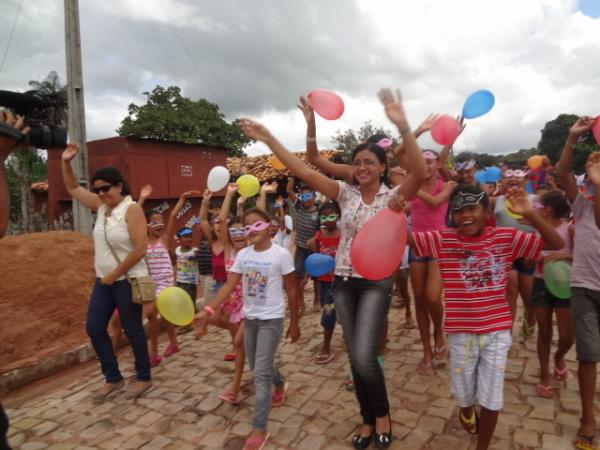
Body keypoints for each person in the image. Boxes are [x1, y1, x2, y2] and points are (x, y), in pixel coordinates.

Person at [239, 87, 427, 449]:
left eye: (369, 162)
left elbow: (419, 169)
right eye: (357, 163)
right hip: (342, 281)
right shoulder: (344, 193)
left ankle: (382, 413)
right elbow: (303, 169)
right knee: (355, 356)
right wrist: (269, 138)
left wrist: (404, 127)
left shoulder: (396, 197)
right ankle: (367, 419)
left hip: (376, 282)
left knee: (363, 355)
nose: (362, 168)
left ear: (383, 167)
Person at [404, 184, 564, 450]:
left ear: (486, 211)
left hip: (496, 331)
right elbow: (408, 239)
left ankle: (482, 446)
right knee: (463, 393)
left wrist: (531, 214)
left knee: (491, 398)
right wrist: (397, 210)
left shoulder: (504, 237)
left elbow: (556, 242)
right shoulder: (444, 239)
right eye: (457, 211)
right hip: (460, 333)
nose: (464, 215)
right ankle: (466, 408)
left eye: (471, 209)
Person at [194, 208, 300, 450]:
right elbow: (229, 286)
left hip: (272, 320)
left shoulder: (281, 255)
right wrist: (208, 310)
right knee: (257, 364)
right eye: (247, 226)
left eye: (257, 224)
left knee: (260, 374)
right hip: (250, 319)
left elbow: (292, 290)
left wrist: (294, 323)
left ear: (268, 226)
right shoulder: (243, 256)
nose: (251, 230)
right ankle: (280, 382)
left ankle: (259, 427)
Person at [61, 144, 152, 401]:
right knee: (94, 327)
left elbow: (141, 248)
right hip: (104, 281)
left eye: (106, 188)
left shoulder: (131, 210)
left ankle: (143, 376)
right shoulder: (101, 208)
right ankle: (113, 378)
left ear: (119, 186)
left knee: (132, 328)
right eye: (98, 189)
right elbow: (71, 188)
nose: (101, 193)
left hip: (126, 279)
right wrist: (66, 162)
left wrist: (115, 273)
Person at [556, 116, 600, 450]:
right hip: (585, 285)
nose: (593, 165)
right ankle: (588, 416)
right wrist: (572, 139)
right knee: (588, 355)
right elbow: (561, 174)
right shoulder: (582, 205)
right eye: (591, 163)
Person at [196, 185, 247, 404]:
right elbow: (221, 219)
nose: (236, 235)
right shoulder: (227, 247)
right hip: (231, 304)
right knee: (243, 348)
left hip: (251, 305)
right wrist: (226, 196)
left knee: (240, 344)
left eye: (241, 231)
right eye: (232, 231)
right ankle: (272, 379)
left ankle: (235, 386)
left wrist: (232, 196)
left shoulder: (252, 250)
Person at [408, 149, 456, 375]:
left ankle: (439, 331)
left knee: (432, 297)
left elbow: (436, 203)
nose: (425, 166)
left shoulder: (447, 185)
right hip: (417, 244)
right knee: (418, 299)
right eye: (421, 162)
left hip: (439, 243)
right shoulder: (412, 187)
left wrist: (411, 186)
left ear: (438, 165)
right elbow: (407, 207)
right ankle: (426, 350)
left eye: (429, 162)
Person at [530, 190, 574, 398]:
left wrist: (564, 256)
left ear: (546, 211)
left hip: (565, 286)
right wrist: (536, 257)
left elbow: (582, 256)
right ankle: (544, 374)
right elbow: (527, 259)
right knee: (544, 333)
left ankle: (559, 357)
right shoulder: (537, 232)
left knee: (567, 336)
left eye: (536, 207)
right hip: (540, 284)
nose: (532, 211)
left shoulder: (570, 229)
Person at [137, 185, 180, 367]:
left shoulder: (165, 239)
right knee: (163, 315)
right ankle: (174, 343)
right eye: (154, 222)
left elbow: (172, 216)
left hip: (166, 283)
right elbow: (133, 218)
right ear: (146, 226)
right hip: (150, 284)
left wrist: (183, 199)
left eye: (159, 221)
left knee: (151, 313)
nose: (159, 225)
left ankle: (153, 353)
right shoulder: (142, 241)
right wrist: (142, 199)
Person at [492, 166, 537, 336]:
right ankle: (507, 334)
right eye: (508, 178)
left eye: (518, 178)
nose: (513, 180)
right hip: (504, 252)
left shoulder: (536, 199)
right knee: (510, 292)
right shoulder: (496, 200)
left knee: (529, 296)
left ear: (525, 180)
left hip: (529, 252)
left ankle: (530, 315)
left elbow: (548, 223)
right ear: (502, 181)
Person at [307, 200, 342, 364]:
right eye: (324, 217)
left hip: (342, 280)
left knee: (337, 312)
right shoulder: (319, 234)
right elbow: (313, 249)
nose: (328, 220)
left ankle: (332, 345)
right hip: (325, 281)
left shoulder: (343, 234)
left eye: (332, 216)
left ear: (339, 216)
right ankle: (327, 343)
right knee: (327, 310)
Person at [286, 177, 320, 314]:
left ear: (314, 196)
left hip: (314, 248)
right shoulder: (299, 206)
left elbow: (321, 229)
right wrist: (292, 177)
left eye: (308, 196)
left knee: (316, 276)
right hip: (300, 248)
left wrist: (314, 239)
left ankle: (317, 300)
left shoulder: (319, 210)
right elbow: (289, 190)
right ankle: (301, 303)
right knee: (298, 276)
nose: (305, 199)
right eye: (303, 196)